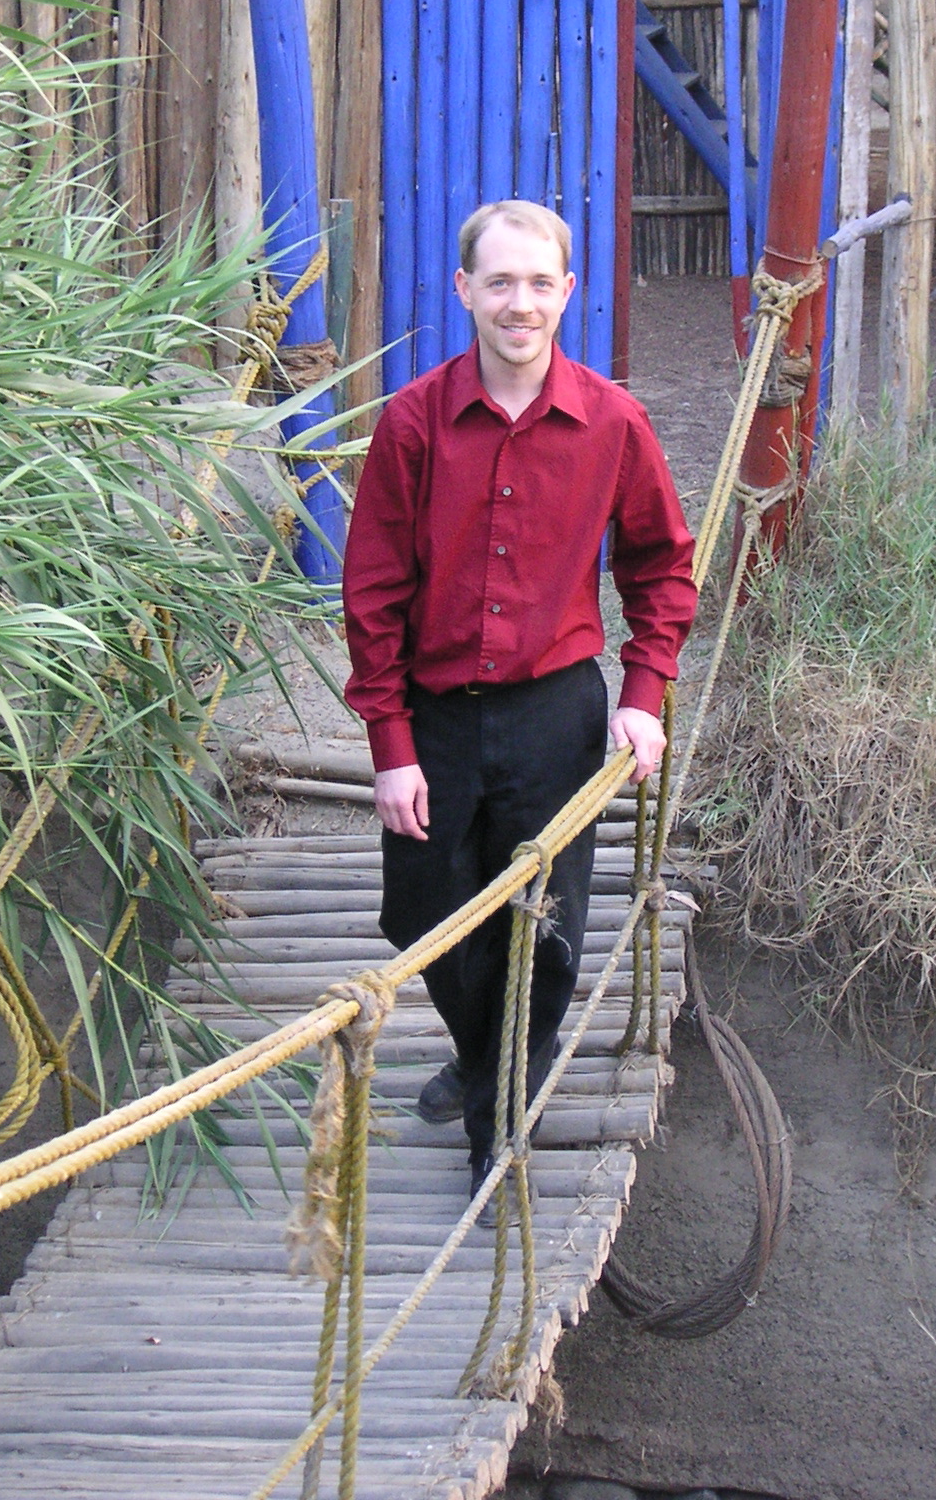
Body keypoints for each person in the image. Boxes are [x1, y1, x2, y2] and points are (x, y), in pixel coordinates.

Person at [342, 199, 697, 1214]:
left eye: (540, 282)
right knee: (421, 910)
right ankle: (479, 1049)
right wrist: (390, 744)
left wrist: (642, 693)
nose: (520, 302)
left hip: (555, 713)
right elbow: (371, 592)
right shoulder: (411, 425)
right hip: (436, 714)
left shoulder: (611, 422)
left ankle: (498, 1133)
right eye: (500, 281)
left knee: (543, 925)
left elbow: (662, 565)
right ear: (464, 290)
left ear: (567, 292)